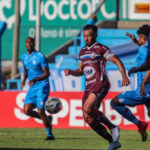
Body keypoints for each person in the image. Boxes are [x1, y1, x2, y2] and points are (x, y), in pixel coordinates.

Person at [64, 24, 130, 150]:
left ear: (95, 35)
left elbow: (117, 60)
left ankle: (112, 126)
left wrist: (124, 76)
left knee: (87, 108)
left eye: (89, 36)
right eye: (84, 36)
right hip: (88, 88)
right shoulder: (82, 51)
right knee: (88, 118)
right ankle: (112, 142)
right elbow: (80, 71)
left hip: (100, 84)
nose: (86, 39)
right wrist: (71, 72)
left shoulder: (101, 48)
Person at [111, 25, 150, 142]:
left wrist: (143, 84)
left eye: (139, 38)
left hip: (143, 91)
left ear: (143, 38)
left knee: (114, 103)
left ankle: (139, 124)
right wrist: (136, 42)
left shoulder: (144, 50)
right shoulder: (145, 47)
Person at [21, 37, 55, 140]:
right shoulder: (23, 57)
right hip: (33, 87)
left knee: (41, 111)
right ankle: (48, 119)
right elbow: (26, 70)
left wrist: (36, 79)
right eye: (27, 42)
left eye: (31, 42)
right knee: (26, 110)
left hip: (42, 85)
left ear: (34, 44)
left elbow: (47, 73)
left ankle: (50, 135)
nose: (29, 44)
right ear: (25, 44)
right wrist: (24, 79)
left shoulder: (40, 56)